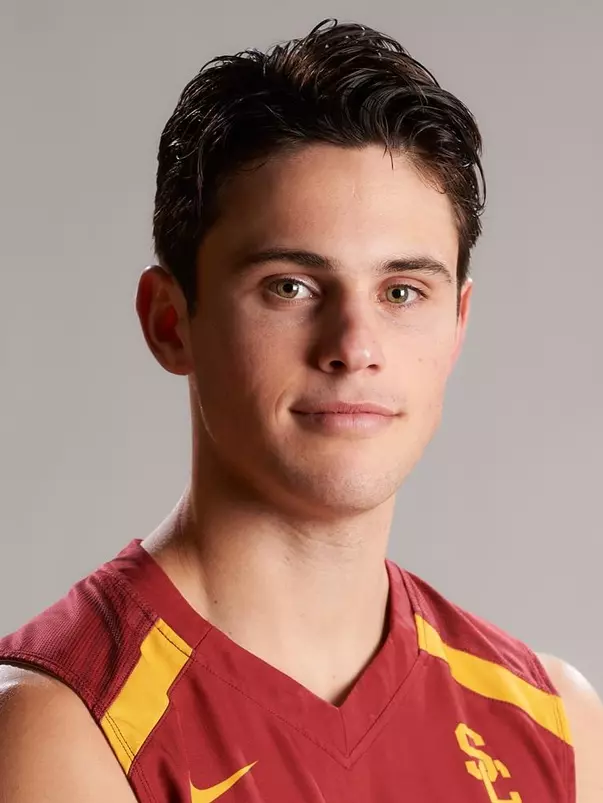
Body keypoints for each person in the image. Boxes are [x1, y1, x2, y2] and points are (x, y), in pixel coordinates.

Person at [0, 17, 600, 803]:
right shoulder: (61, 726)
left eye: (401, 291)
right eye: (290, 286)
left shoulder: (555, 727)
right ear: (170, 321)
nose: (354, 345)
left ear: (457, 324)